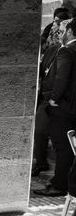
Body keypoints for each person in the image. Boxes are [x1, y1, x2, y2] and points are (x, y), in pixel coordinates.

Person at [35, 19, 76, 197]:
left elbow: (62, 78)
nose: (60, 33)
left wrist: (53, 99)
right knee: (68, 147)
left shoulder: (67, 51)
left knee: (63, 147)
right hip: (72, 106)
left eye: (63, 30)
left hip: (63, 107)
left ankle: (59, 184)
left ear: (70, 32)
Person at [32, 18, 65, 176]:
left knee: (59, 139)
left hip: (60, 100)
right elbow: (43, 67)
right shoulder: (53, 49)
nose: (57, 33)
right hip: (45, 97)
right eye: (57, 31)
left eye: (60, 31)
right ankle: (41, 162)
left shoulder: (71, 51)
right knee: (39, 130)